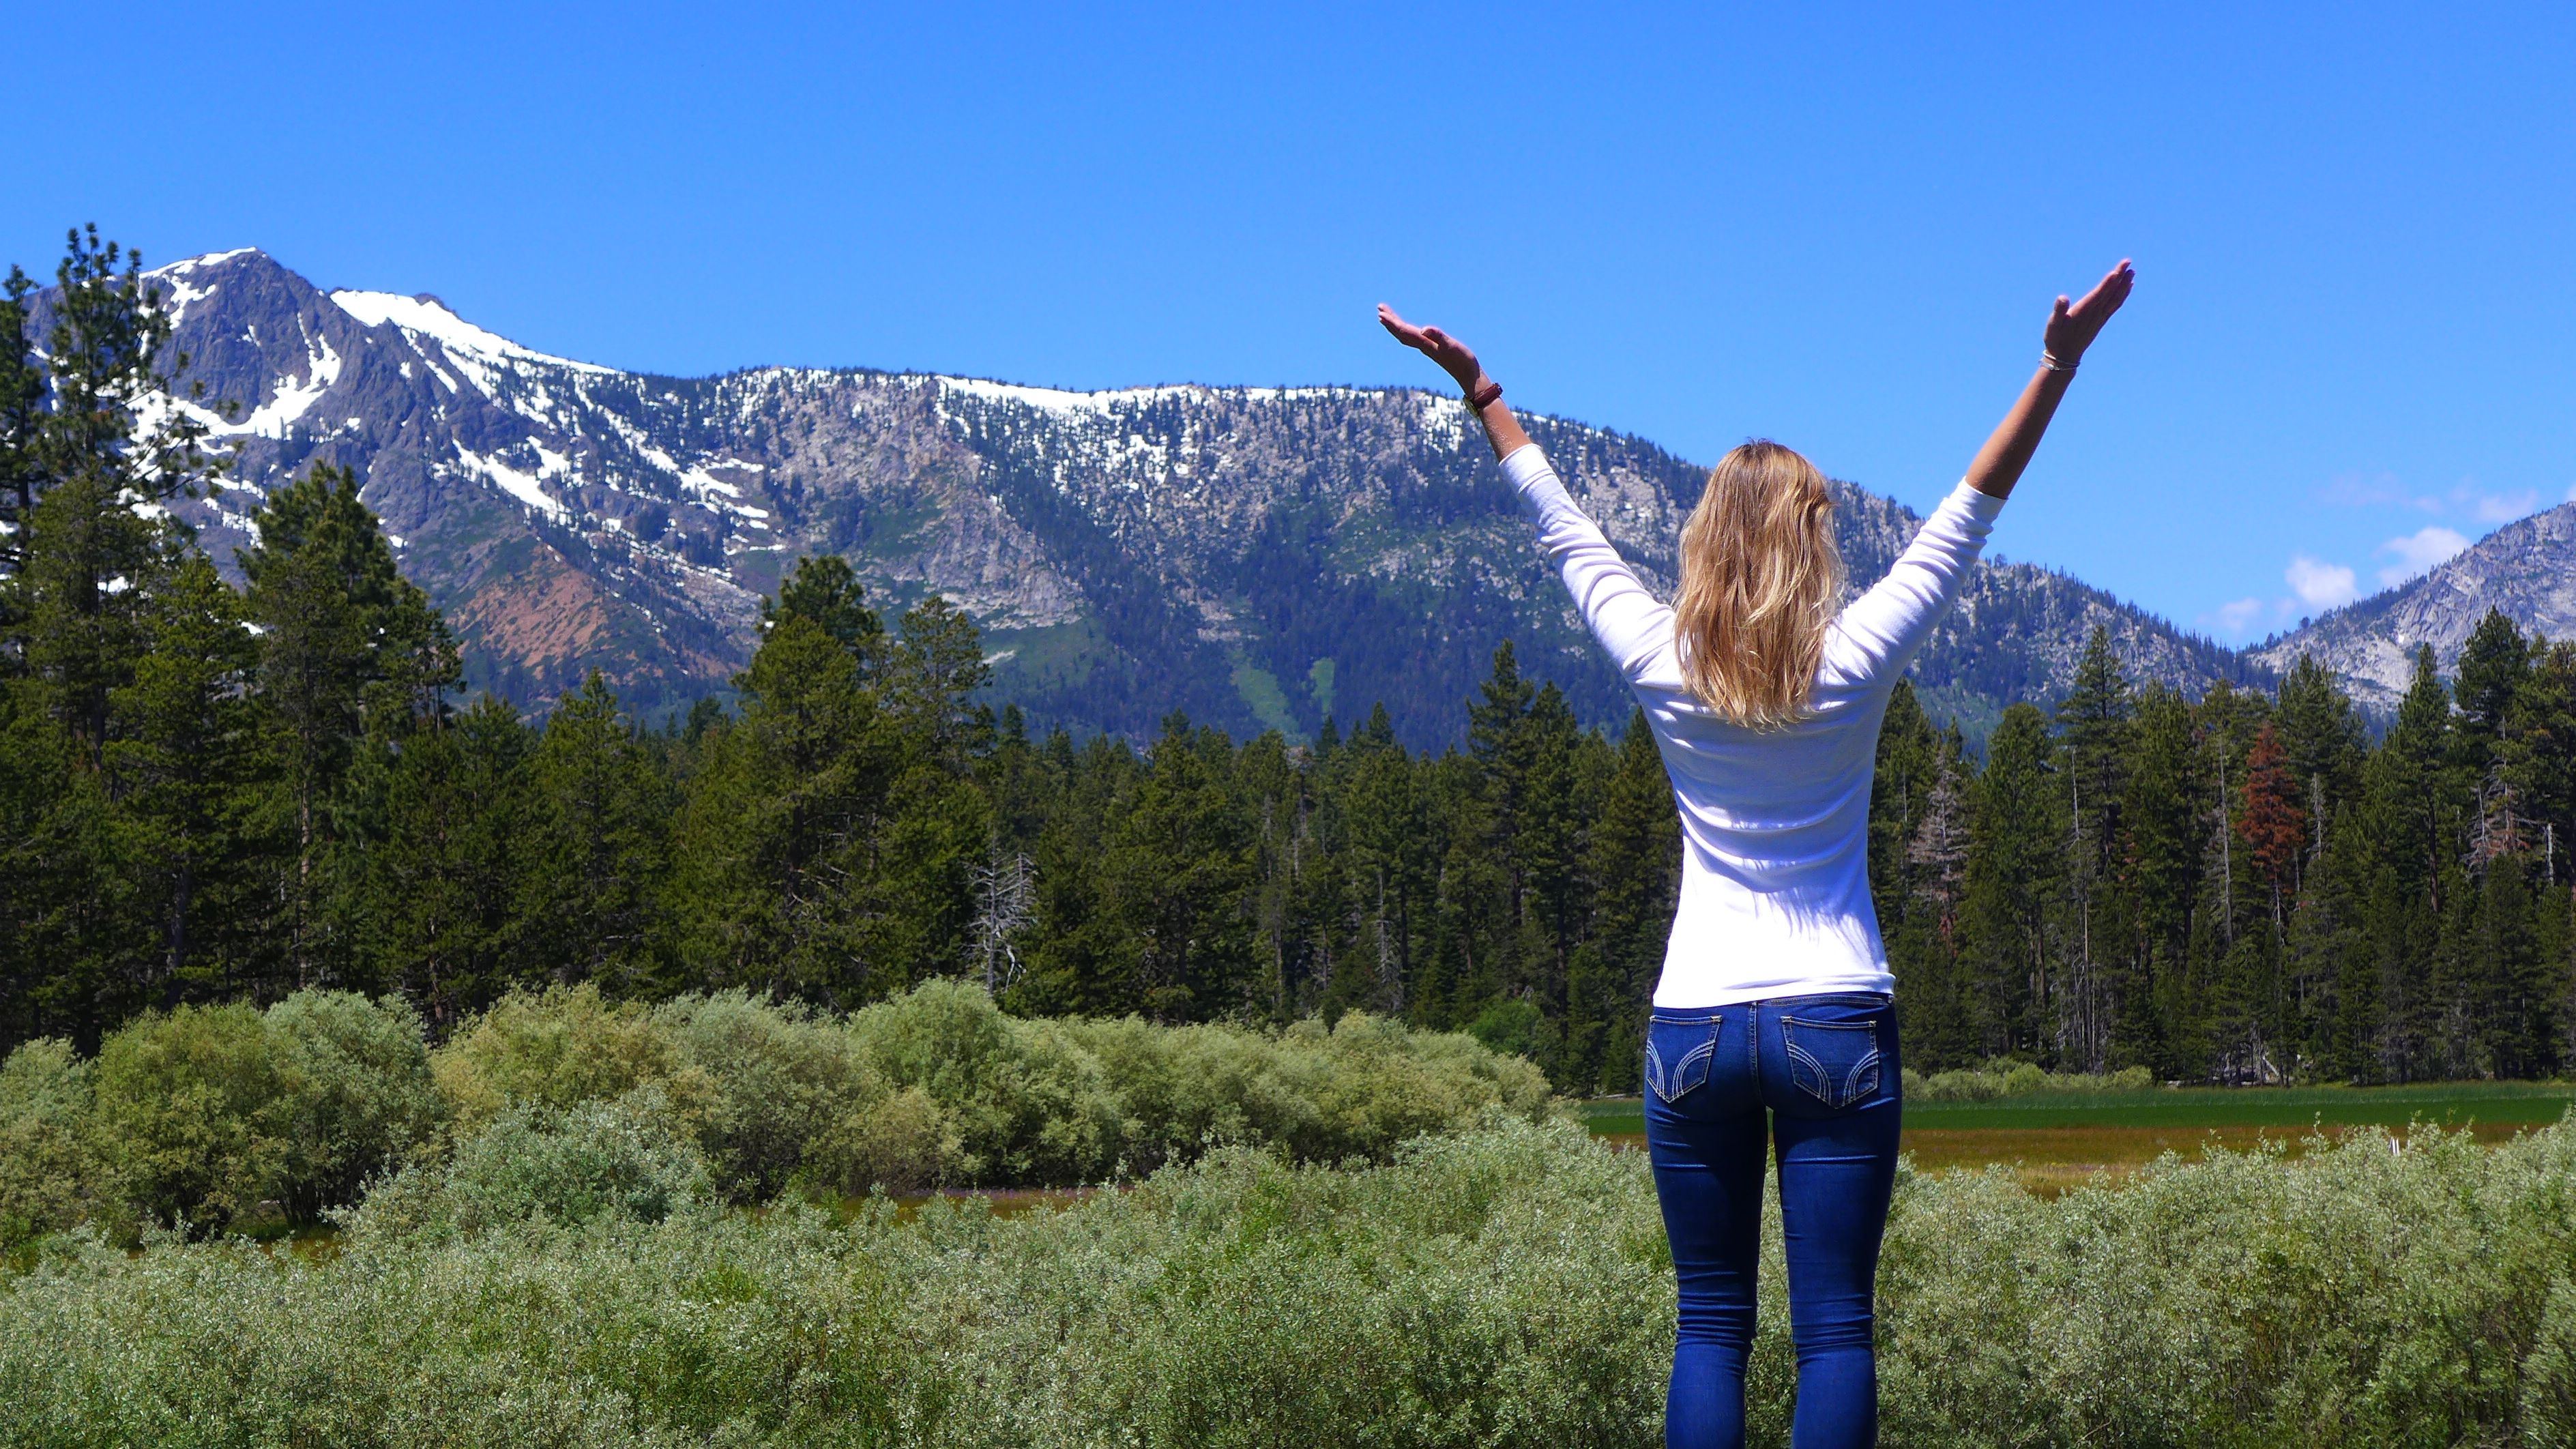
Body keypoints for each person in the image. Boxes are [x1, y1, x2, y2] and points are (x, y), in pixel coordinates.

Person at [1379, 260, 2135, 1449]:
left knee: (1710, 1324)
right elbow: (1971, 509)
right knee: (1834, 1329)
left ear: (1704, 542)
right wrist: (2056, 365)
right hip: (1834, 1013)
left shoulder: (1659, 660)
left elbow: (1563, 530)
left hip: (1694, 1023)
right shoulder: (1856, 658)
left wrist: (1485, 396)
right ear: (1808, 542)